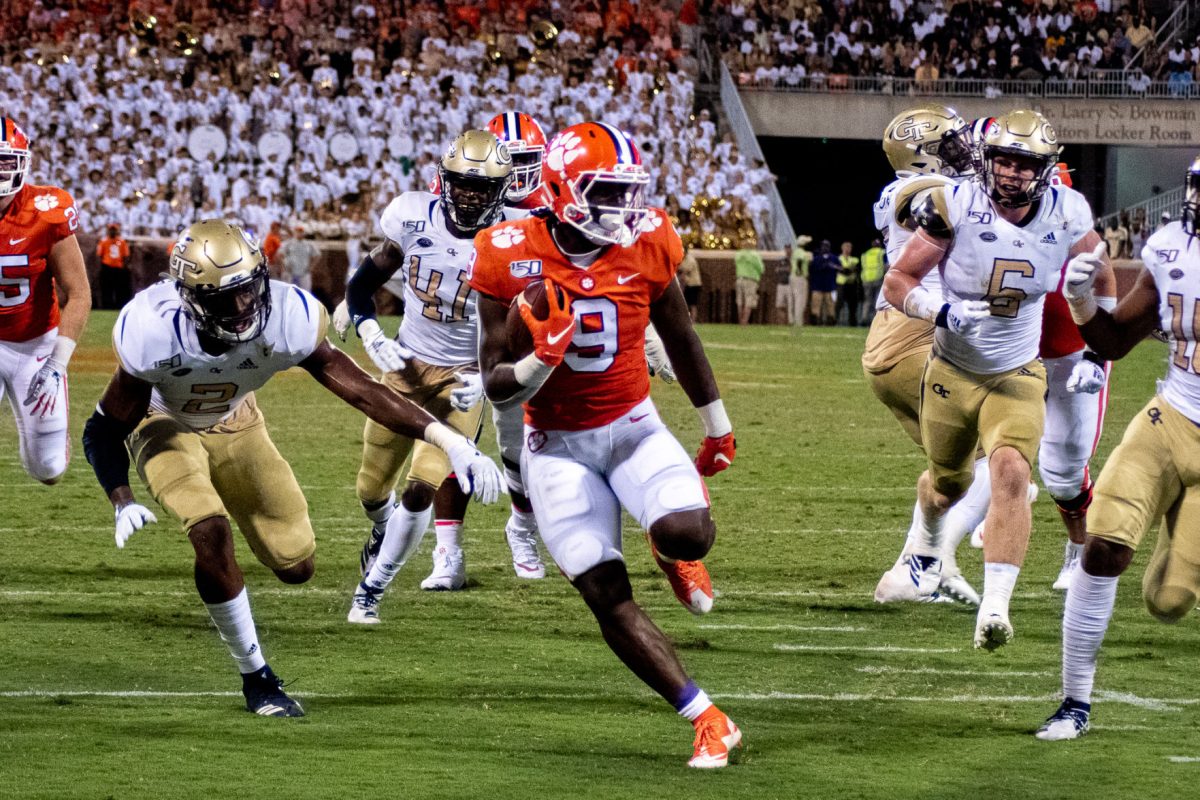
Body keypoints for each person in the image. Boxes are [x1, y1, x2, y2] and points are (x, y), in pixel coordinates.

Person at [80, 220, 503, 717]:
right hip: (164, 421)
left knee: (296, 565)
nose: (240, 309)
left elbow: (364, 390)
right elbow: (103, 429)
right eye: (222, 299)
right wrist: (121, 498)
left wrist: (448, 439)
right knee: (210, 530)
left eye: (246, 291)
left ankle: (227, 586)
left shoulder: (289, 314)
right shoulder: (152, 330)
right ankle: (257, 678)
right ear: (191, 298)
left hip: (238, 420)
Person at [470, 122, 741, 768]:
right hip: (556, 445)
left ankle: (667, 548)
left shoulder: (648, 240)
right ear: (563, 193)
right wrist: (540, 360)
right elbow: (495, 385)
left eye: (628, 193)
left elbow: (679, 334)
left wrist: (716, 425)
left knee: (688, 532)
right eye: (607, 194)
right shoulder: (504, 251)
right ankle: (706, 716)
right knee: (603, 591)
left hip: (633, 426)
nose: (623, 210)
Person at [882, 109, 1105, 649]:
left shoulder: (1067, 208)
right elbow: (899, 277)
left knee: (1018, 471)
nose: (1009, 173)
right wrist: (939, 311)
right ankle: (926, 552)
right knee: (947, 484)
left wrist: (1098, 343)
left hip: (1022, 366)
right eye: (1001, 160)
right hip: (952, 365)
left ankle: (995, 607)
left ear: (1048, 170)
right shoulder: (946, 200)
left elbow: (1101, 266)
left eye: (1023, 164)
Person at [1036, 156, 1200, 741]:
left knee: (1168, 600)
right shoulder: (1172, 247)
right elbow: (1114, 339)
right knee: (1101, 545)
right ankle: (1074, 702)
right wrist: (1083, 305)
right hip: (1172, 415)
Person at [342, 129, 513, 615]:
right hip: (405, 369)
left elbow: (528, 324)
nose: (471, 194)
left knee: (421, 488)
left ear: (500, 190)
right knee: (372, 489)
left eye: (482, 186)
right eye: (462, 183)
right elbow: (362, 284)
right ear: (445, 179)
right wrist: (371, 332)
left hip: (462, 377)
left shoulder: (508, 239)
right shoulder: (412, 216)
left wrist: (487, 376)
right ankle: (382, 527)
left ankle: (370, 592)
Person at [866, 105, 983, 606]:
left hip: (907, 339)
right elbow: (948, 204)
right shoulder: (912, 191)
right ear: (922, 156)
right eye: (951, 145)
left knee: (956, 477)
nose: (964, 153)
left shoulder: (923, 190)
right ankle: (928, 561)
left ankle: (922, 570)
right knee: (1006, 466)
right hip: (915, 335)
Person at [0, 117, 90, 485]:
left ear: (22, 162)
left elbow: (80, 293)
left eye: (4, 160)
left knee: (48, 470)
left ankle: (53, 439)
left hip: (35, 344)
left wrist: (57, 364)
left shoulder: (45, 211)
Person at [96, 222, 132, 309]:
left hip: (118, 268)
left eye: (114, 230)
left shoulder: (122, 241)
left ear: (117, 231)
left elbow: (126, 255)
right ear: (108, 231)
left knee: (119, 288)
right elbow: (99, 255)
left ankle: (119, 306)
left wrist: (124, 266)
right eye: (111, 230)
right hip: (107, 267)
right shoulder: (103, 241)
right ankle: (107, 306)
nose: (112, 232)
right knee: (107, 288)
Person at [276, 225, 319, 291]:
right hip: (290, 272)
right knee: (289, 291)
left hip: (304, 272)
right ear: (295, 232)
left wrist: (311, 267)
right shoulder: (288, 243)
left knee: (305, 292)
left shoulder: (308, 244)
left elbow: (317, 255)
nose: (299, 233)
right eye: (298, 232)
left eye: (301, 232)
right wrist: (283, 266)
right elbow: (279, 254)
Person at [808, 240, 839, 325]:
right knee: (815, 306)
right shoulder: (816, 259)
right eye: (823, 246)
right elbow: (812, 270)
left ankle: (830, 322)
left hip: (830, 287)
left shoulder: (834, 258)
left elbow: (840, 268)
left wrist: (833, 266)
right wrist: (824, 266)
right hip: (818, 286)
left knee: (831, 307)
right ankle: (816, 322)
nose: (825, 248)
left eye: (827, 246)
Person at [733, 245, 763, 325]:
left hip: (739, 279)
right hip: (751, 279)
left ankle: (740, 320)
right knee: (749, 300)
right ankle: (744, 321)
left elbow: (736, 264)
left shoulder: (738, 254)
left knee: (740, 301)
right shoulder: (754, 255)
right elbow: (761, 268)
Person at [834, 240, 862, 326]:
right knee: (839, 303)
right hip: (841, 284)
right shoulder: (838, 258)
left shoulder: (854, 259)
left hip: (851, 284)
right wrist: (847, 270)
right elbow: (842, 270)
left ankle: (852, 322)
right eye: (846, 247)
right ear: (842, 248)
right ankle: (836, 321)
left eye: (849, 247)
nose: (847, 249)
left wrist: (845, 269)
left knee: (852, 304)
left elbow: (854, 269)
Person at [787, 234, 811, 327]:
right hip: (799, 277)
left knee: (792, 299)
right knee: (799, 300)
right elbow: (800, 261)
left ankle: (792, 319)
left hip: (793, 276)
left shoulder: (795, 252)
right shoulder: (802, 253)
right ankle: (798, 321)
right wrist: (799, 271)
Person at [859, 237, 885, 321]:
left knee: (867, 300)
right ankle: (876, 319)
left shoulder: (866, 254)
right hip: (877, 278)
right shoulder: (881, 252)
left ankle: (864, 318)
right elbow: (885, 265)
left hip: (866, 279)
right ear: (879, 245)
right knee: (877, 299)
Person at [677, 245, 702, 322]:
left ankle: (693, 321)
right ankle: (686, 320)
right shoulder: (683, 259)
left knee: (692, 304)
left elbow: (684, 272)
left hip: (693, 284)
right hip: (688, 284)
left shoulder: (690, 260)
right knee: (686, 304)